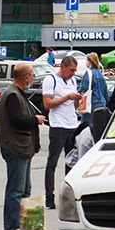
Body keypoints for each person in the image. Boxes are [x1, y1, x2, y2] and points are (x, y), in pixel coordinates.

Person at [0, 63, 46, 230]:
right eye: (32, 75)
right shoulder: (12, 95)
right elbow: (16, 120)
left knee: (24, 189)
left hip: (22, 147)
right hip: (16, 147)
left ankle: (22, 225)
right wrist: (35, 120)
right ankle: (11, 228)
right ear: (26, 77)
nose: (33, 78)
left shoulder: (18, 94)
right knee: (16, 190)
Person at [42, 54, 80, 209]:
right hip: (58, 125)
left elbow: (74, 106)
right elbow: (47, 104)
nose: (72, 73)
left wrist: (77, 100)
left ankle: (69, 196)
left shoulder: (72, 81)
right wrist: (67, 97)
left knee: (71, 162)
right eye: (70, 70)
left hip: (72, 123)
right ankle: (49, 197)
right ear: (62, 67)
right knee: (53, 161)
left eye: (75, 70)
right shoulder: (51, 80)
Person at [76, 52, 109, 121]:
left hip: (91, 102)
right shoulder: (100, 74)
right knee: (97, 124)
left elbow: (84, 87)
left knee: (85, 124)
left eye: (87, 60)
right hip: (102, 102)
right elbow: (105, 90)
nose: (86, 62)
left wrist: (76, 92)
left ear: (90, 61)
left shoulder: (89, 72)